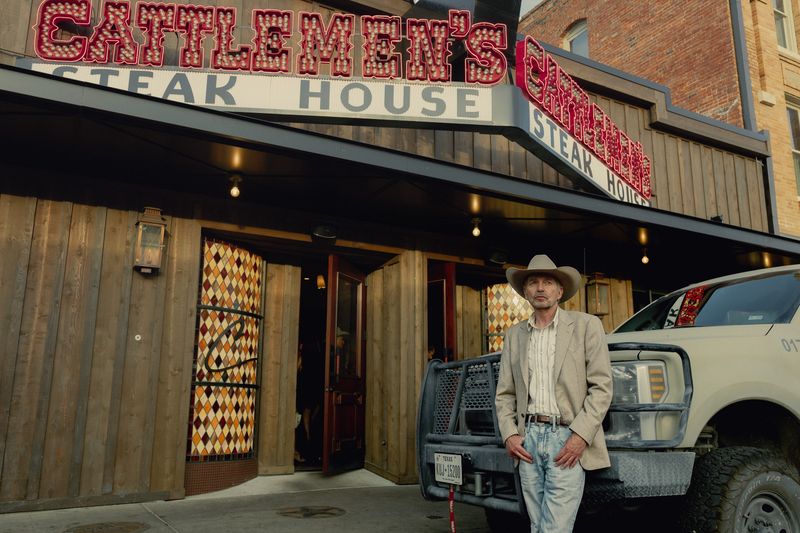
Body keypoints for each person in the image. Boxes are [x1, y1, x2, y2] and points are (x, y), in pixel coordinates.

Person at [495, 254, 612, 532]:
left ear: (560, 291)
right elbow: (505, 394)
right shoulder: (514, 335)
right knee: (537, 524)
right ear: (525, 291)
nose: (540, 288)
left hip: (567, 438)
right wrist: (510, 434)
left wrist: (580, 436)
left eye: (548, 282)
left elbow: (602, 387)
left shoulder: (586, 326)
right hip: (528, 441)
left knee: (554, 527)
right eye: (533, 282)